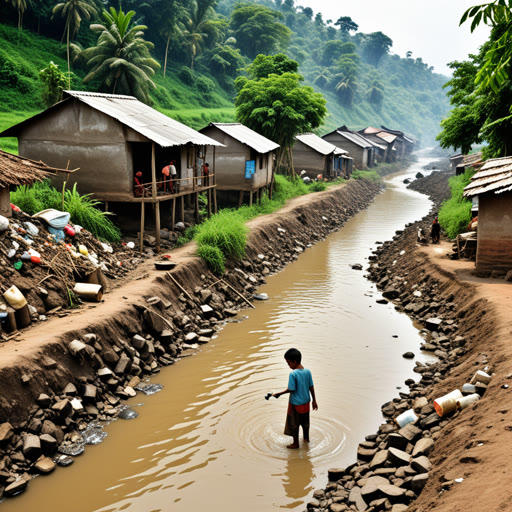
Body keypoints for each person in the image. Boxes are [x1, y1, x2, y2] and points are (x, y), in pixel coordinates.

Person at [273, 348, 318, 449]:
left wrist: (279, 394)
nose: (288, 365)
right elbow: (311, 386)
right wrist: (314, 400)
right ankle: (306, 439)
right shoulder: (307, 371)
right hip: (306, 403)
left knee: (294, 424)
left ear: (294, 361)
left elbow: (291, 389)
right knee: (305, 423)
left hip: (296, 404)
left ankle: (296, 444)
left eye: (288, 362)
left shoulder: (293, 374)